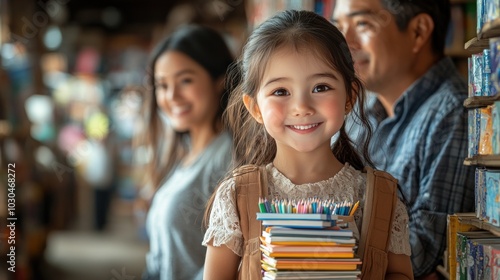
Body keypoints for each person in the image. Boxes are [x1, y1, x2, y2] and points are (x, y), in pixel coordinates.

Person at [202, 10, 413, 280]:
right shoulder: (236, 197)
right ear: (255, 108)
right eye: (281, 92)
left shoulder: (381, 198)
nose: (302, 107)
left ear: (350, 97)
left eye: (321, 87)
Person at [332, 0, 476, 279]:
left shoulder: (454, 114)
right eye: (339, 27)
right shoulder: (357, 114)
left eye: (361, 24)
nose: (343, 43)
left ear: (418, 32)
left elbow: (421, 252)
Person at [138, 24, 234, 280]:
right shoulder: (183, 154)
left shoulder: (230, 159)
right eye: (162, 85)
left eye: (185, 81)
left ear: (219, 81)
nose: (172, 96)